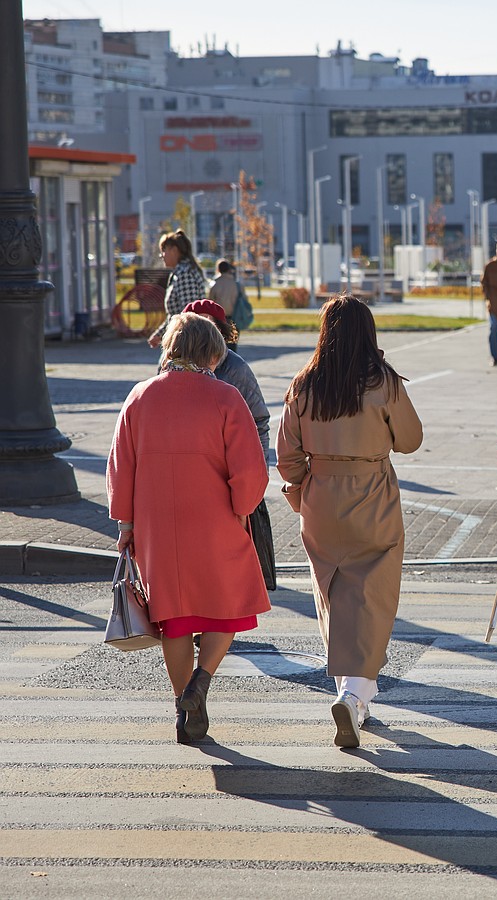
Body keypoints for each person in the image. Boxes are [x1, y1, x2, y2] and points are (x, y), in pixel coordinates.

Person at [107, 313, 269, 744]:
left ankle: (183, 705)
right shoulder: (226, 397)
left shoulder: (139, 397)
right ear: (211, 352)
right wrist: (242, 508)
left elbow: (121, 467)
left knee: (173, 619)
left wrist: (126, 523)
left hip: (157, 525)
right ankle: (201, 681)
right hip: (216, 517)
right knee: (230, 603)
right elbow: (250, 470)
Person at [276, 294, 424, 748]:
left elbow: (286, 456)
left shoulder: (303, 384)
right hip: (372, 494)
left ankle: (355, 694)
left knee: (333, 595)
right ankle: (353, 695)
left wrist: (303, 486)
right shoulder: (383, 383)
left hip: (321, 497)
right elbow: (411, 440)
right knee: (373, 597)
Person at [182, 299, 276, 590]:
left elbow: (259, 421)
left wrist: (255, 480)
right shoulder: (171, 366)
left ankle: (217, 622)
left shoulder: (235, 370)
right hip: (186, 478)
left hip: (226, 479)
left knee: (226, 561)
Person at [148, 230, 209, 349]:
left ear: (174, 250)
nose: (161, 256)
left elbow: (188, 315)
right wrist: (160, 334)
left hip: (187, 342)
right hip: (183, 338)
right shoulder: (180, 273)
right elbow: (174, 314)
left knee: (166, 368)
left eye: (163, 251)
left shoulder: (184, 274)